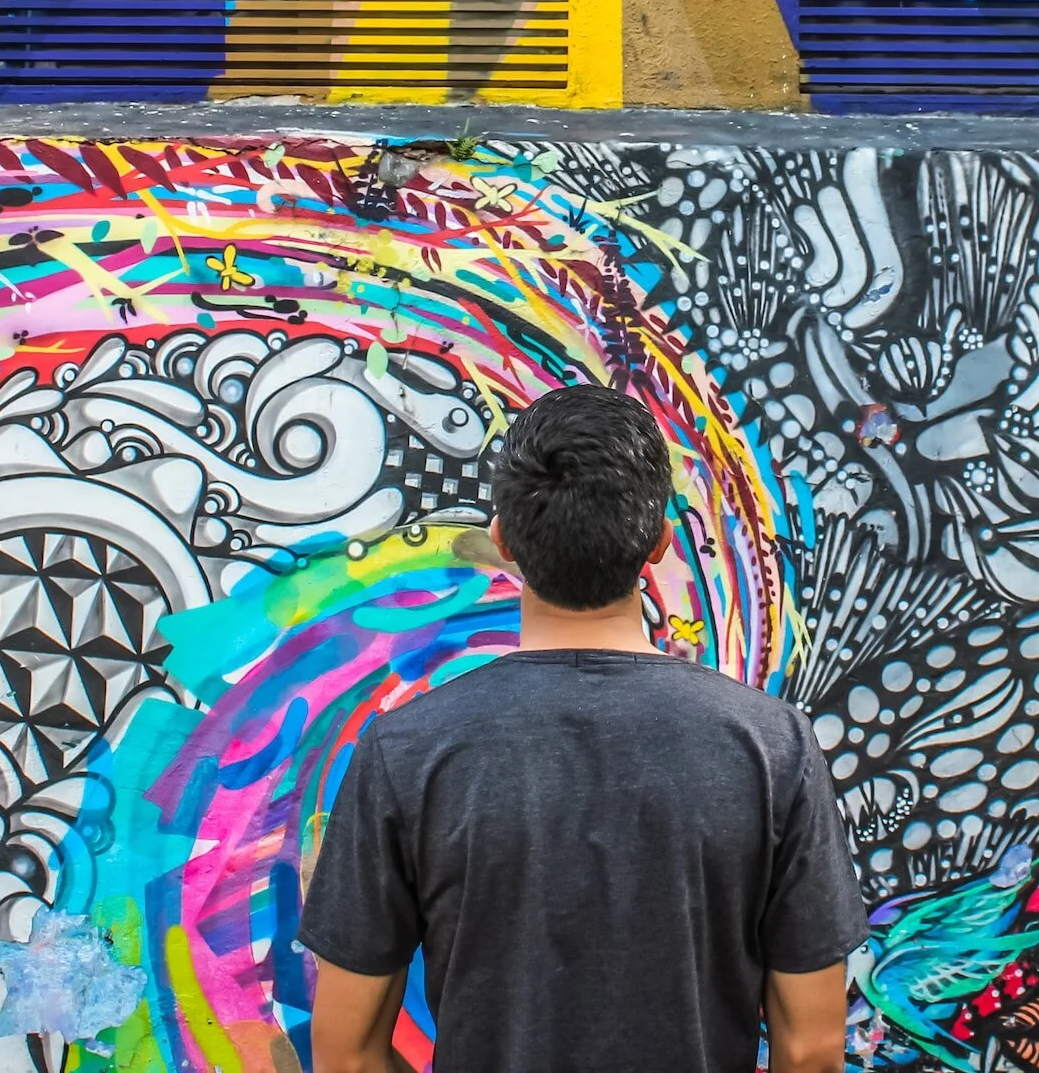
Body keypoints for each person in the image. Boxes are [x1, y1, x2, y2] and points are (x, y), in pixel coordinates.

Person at [299, 382, 866, 1073]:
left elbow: (346, 1054)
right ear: (659, 541)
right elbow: (810, 1051)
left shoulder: (407, 752)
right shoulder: (771, 746)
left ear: (502, 538)